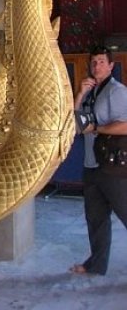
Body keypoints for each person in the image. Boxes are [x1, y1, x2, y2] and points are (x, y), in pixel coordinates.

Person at [70, 45, 127, 275]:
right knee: (96, 219)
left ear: (111, 66)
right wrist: (80, 94)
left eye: (102, 62)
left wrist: (97, 128)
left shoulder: (117, 91)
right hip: (91, 164)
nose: (97, 66)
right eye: (94, 62)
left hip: (113, 167)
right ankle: (96, 265)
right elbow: (73, 124)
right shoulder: (90, 91)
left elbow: (125, 125)